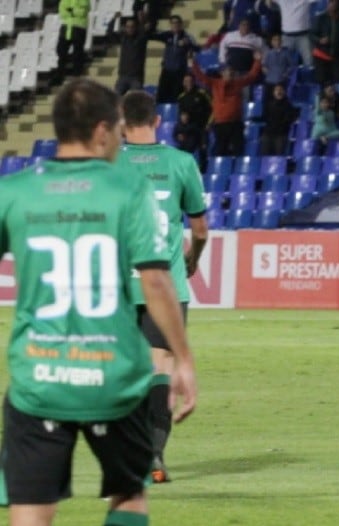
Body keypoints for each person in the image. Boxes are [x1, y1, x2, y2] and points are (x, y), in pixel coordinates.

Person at [0, 78, 197, 525]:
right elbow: (156, 281)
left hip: (39, 376)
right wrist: (183, 358)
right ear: (104, 131)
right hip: (113, 377)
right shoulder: (128, 191)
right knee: (128, 496)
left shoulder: (13, 192)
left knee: (30, 512)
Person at [117, 90, 208, 484]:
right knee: (161, 365)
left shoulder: (107, 164)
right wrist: (194, 259)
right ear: (157, 121)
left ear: (121, 123)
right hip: (166, 284)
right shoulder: (181, 162)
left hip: (119, 283)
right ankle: (154, 454)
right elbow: (200, 229)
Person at [192, 51, 262, 156]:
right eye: (227, 71)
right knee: (220, 149)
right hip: (220, 124)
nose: (230, 73)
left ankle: (238, 171)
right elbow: (200, 76)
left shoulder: (238, 82)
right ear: (222, 73)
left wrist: (257, 61)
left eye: (231, 71)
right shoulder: (214, 83)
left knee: (238, 149)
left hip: (236, 123)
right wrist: (193, 63)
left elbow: (252, 76)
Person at [150, 15, 200, 104]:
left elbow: (197, 48)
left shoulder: (187, 36)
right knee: (161, 95)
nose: (175, 25)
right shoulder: (167, 35)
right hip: (166, 71)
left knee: (176, 96)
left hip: (179, 72)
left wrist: (187, 44)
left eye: (177, 23)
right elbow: (153, 36)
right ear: (170, 25)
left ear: (181, 24)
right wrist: (148, 27)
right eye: (173, 23)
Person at [108, 14, 150, 95]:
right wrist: (113, 19)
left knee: (136, 101)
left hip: (136, 78)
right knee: (116, 99)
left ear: (136, 28)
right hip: (123, 76)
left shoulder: (141, 39)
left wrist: (142, 23)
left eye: (132, 26)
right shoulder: (123, 38)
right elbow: (110, 33)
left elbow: (145, 32)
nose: (130, 29)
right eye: (128, 27)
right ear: (125, 28)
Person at [310, 0, 339, 85]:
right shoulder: (320, 18)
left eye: (336, 3)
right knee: (321, 80)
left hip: (336, 55)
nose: (333, 5)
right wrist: (320, 40)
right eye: (331, 3)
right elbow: (312, 35)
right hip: (321, 55)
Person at [54, 0, 90, 83]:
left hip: (79, 28)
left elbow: (82, 12)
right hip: (66, 27)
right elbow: (62, 13)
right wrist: (74, 11)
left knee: (78, 54)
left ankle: (77, 76)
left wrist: (70, 10)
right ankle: (60, 76)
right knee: (61, 52)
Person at [260, 83, 299, 155]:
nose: (279, 92)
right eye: (277, 90)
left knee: (278, 157)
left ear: (284, 92)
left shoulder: (288, 105)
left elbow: (290, 119)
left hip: (281, 135)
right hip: (268, 133)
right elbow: (265, 117)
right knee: (264, 156)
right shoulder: (269, 104)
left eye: (281, 90)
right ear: (273, 92)